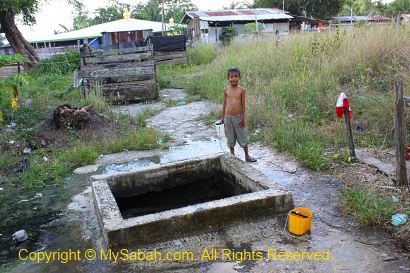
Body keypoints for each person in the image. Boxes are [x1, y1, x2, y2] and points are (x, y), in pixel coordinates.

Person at [221, 67, 257, 162]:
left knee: (243, 136)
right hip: (227, 118)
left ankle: (247, 156)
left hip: (238, 117)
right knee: (230, 137)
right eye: (231, 77)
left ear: (239, 77)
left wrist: (243, 118)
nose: (234, 79)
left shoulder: (242, 90)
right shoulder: (226, 90)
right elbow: (224, 103)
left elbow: (243, 104)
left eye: (236, 76)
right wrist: (222, 117)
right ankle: (232, 156)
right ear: (228, 78)